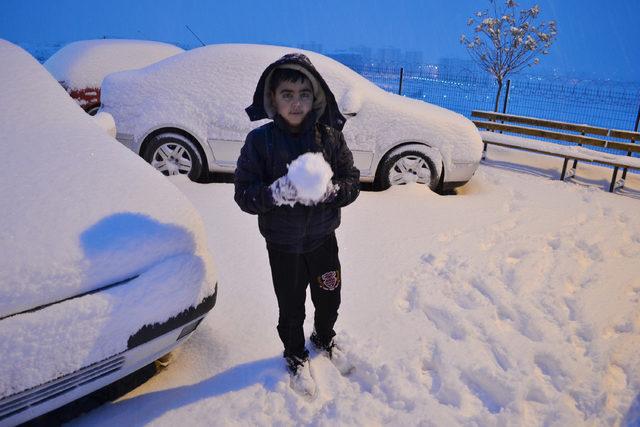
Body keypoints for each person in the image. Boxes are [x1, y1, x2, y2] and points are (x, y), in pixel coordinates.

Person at [234, 52, 360, 391]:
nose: (296, 102)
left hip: (322, 241)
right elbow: (244, 193)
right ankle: (294, 353)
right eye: (287, 94)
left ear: (315, 97)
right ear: (272, 98)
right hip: (283, 246)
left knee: (329, 297)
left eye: (304, 94)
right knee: (290, 307)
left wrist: (332, 192)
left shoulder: (330, 137)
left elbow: (352, 180)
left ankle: (323, 337)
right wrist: (275, 192)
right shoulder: (260, 142)